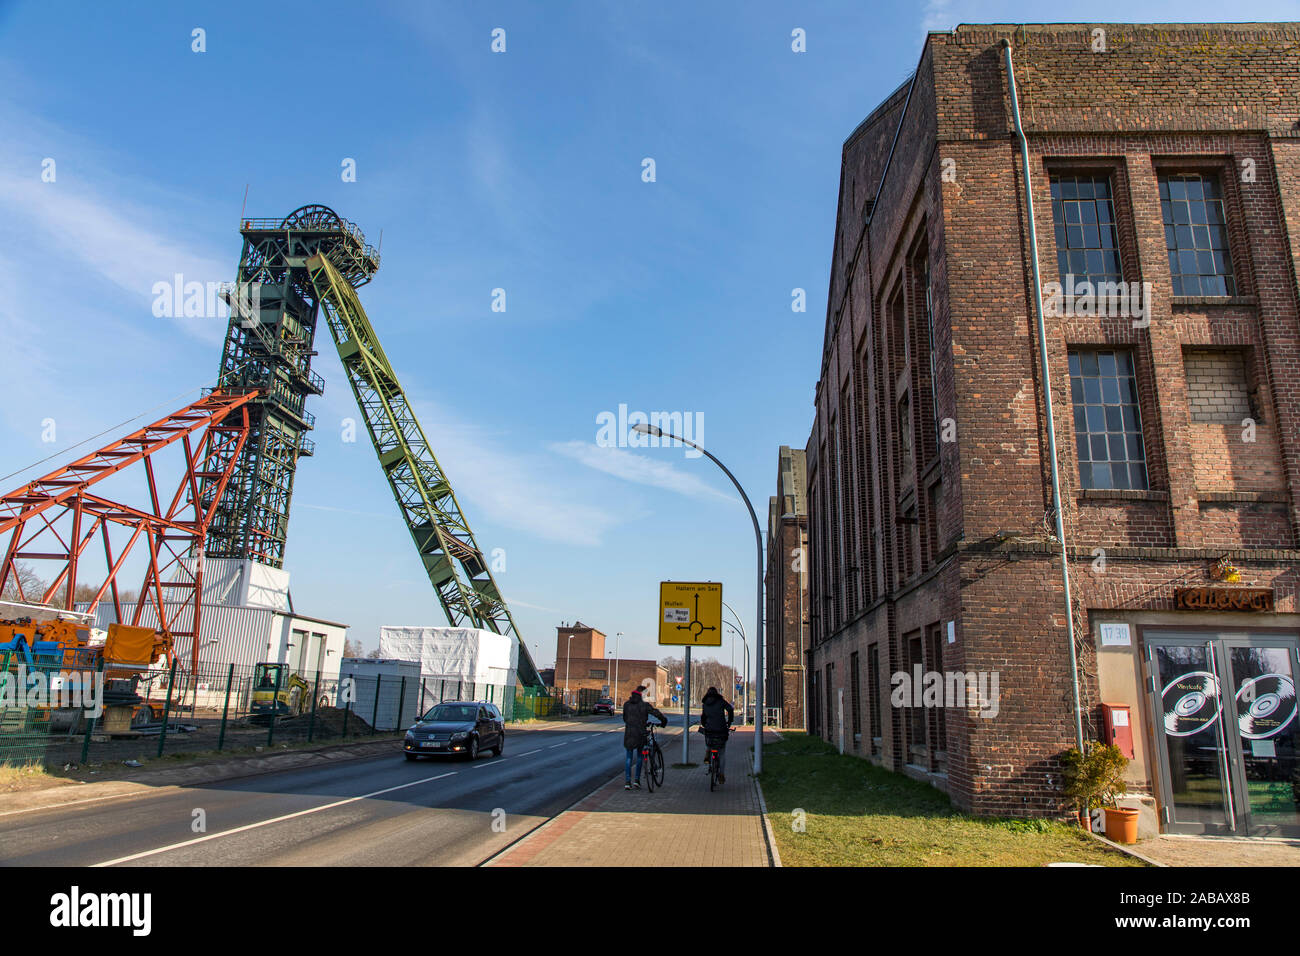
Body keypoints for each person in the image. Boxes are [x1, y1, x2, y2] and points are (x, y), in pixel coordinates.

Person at [622, 685, 667, 790]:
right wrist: (663, 720)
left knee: (628, 757)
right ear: (642, 694)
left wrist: (631, 724)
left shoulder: (626, 705)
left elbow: (625, 718)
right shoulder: (644, 705)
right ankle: (637, 780)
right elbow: (655, 712)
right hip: (641, 733)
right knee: (639, 757)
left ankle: (627, 782)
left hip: (629, 734)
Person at [698, 686, 734, 784]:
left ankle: (708, 752)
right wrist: (729, 721)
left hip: (709, 730)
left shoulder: (705, 703)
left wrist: (704, 725)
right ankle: (721, 774)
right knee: (722, 753)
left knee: (709, 740)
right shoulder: (721, 701)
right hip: (721, 730)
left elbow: (703, 717)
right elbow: (730, 709)